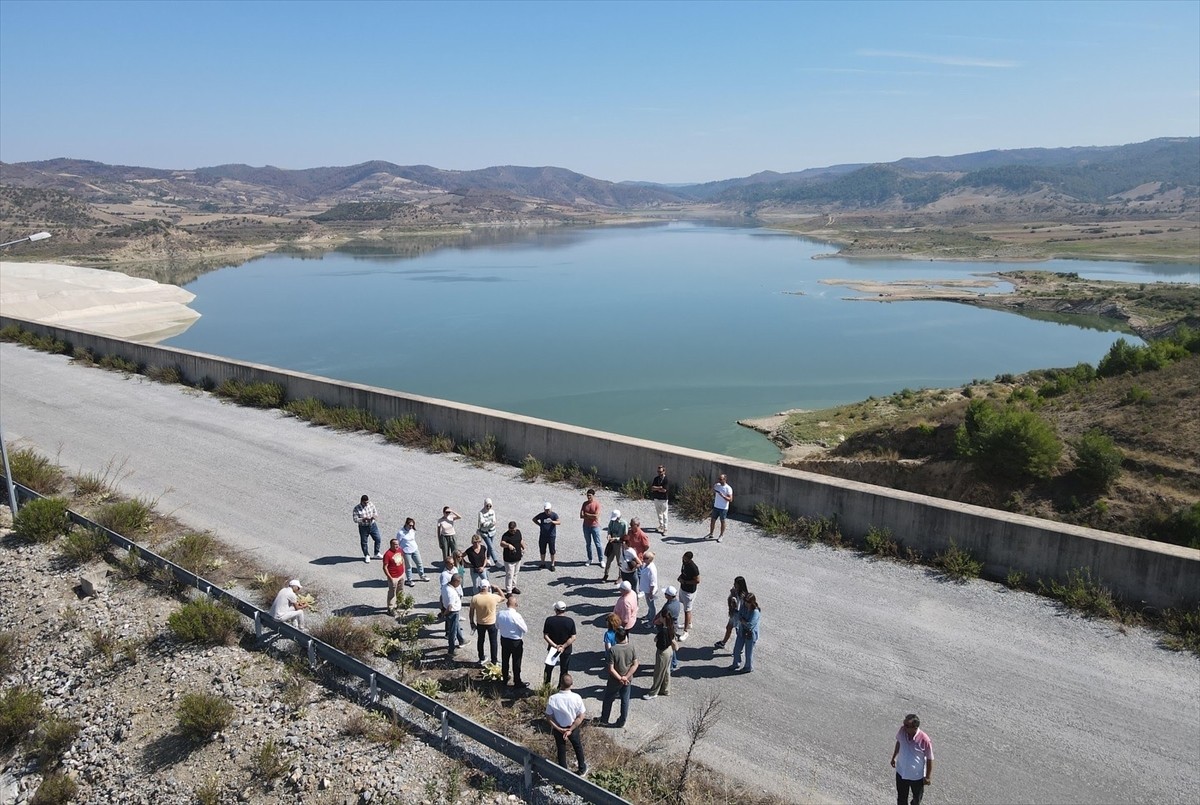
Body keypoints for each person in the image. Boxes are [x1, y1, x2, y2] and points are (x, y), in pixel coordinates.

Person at [544, 673, 588, 776]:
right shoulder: (577, 697)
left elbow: (548, 717)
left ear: (560, 684)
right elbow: (581, 716)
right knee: (577, 747)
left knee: (561, 749)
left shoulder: (553, 699)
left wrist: (558, 728)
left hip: (559, 728)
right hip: (572, 727)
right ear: (572, 684)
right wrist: (570, 729)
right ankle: (582, 768)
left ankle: (563, 771)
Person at [599, 627, 639, 728]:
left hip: (614, 680)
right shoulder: (631, 647)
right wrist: (626, 677)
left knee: (608, 699)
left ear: (616, 638)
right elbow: (635, 664)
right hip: (628, 679)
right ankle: (622, 721)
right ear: (625, 636)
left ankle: (604, 719)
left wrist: (620, 678)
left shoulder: (613, 650)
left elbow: (611, 668)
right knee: (625, 700)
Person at [891, 714, 934, 805]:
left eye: (906, 726)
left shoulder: (924, 739)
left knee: (916, 799)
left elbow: (930, 758)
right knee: (901, 798)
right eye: (904, 723)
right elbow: (899, 742)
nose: (903, 727)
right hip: (901, 772)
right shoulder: (902, 731)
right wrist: (894, 757)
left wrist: (928, 777)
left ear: (914, 727)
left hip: (916, 776)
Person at [496, 593, 529, 688]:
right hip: (515, 642)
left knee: (505, 660)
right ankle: (517, 681)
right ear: (516, 605)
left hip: (504, 640)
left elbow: (497, 626)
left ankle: (505, 679)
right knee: (516, 662)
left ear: (507, 604)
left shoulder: (500, 613)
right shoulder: (516, 616)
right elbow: (525, 629)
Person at [643, 609, 676, 700]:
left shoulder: (663, 631)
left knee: (658, 672)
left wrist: (657, 639)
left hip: (663, 652)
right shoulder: (671, 626)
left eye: (661, 616)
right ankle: (666, 689)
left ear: (664, 618)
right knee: (666, 671)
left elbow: (660, 645)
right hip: (670, 650)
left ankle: (653, 692)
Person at [542, 601, 577, 686]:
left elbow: (546, 636)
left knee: (548, 668)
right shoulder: (570, 621)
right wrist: (563, 646)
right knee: (564, 670)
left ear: (556, 610)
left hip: (553, 649)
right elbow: (573, 637)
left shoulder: (549, 620)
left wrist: (555, 646)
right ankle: (561, 687)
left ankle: (546, 686)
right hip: (566, 649)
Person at [469, 579, 502, 665]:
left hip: (480, 623)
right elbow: (503, 598)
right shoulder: (493, 597)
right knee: (493, 642)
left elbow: (471, 611)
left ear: (480, 587)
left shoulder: (475, 598)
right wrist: (498, 588)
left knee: (480, 641)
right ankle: (494, 660)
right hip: (492, 623)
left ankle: (481, 658)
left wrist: (472, 622)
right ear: (488, 587)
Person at [716, 576, 749, 650]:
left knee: (739, 632)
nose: (734, 584)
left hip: (739, 615)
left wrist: (733, 597)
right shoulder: (735, 591)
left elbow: (739, 606)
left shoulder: (743, 595)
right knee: (729, 627)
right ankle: (723, 642)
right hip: (734, 614)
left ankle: (740, 648)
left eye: (736, 583)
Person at [731, 592, 761, 673]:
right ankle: (736, 663)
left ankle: (748, 667)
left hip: (750, 635)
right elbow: (739, 615)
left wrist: (742, 620)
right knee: (736, 649)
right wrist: (742, 620)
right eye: (745, 601)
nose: (746, 603)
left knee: (748, 652)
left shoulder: (755, 612)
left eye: (748, 602)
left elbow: (750, 625)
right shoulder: (743, 606)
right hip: (742, 631)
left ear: (752, 602)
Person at [396, 517, 428, 585]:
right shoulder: (401, 533)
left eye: (412, 525)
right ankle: (409, 580)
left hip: (414, 549)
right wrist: (399, 552)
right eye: (410, 525)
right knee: (408, 566)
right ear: (406, 524)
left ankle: (422, 575)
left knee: (419, 563)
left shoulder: (412, 530)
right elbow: (398, 543)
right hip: (406, 551)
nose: (411, 527)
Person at [440, 574, 465, 658]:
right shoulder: (451, 592)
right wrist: (444, 614)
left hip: (449, 611)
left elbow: (441, 598)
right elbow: (450, 607)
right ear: (455, 581)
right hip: (453, 612)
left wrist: (442, 608)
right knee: (452, 632)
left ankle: (461, 640)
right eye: (459, 583)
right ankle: (451, 650)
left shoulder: (444, 587)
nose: (459, 585)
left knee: (456, 626)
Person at [677, 551, 700, 639]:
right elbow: (683, 572)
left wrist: (686, 582)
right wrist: (680, 577)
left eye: (685, 558)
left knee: (687, 611)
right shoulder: (684, 563)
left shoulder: (693, 568)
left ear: (689, 559)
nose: (683, 559)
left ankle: (685, 631)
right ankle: (689, 623)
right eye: (683, 557)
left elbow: (697, 581)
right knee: (686, 608)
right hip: (683, 589)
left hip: (689, 592)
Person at [352, 494, 382, 562]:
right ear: (361, 501)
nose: (366, 504)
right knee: (364, 542)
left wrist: (374, 516)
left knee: (378, 539)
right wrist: (363, 519)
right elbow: (355, 519)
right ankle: (366, 555)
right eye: (365, 503)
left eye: (367, 502)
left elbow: (375, 512)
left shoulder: (371, 504)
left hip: (372, 525)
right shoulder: (356, 508)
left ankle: (376, 552)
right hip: (363, 527)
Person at [533, 502, 561, 571]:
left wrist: (552, 522)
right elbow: (534, 519)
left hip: (551, 536)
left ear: (551, 509)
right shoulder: (541, 515)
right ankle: (542, 563)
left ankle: (552, 564)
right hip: (543, 535)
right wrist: (539, 524)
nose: (547, 511)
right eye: (546, 510)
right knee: (542, 550)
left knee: (552, 550)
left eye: (548, 510)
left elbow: (559, 522)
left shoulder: (554, 515)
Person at [382, 538, 407, 614]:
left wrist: (404, 570)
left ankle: (399, 604)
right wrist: (390, 578)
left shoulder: (399, 550)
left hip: (401, 575)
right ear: (391, 545)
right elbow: (385, 567)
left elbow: (402, 559)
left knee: (400, 590)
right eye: (395, 544)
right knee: (392, 593)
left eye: (398, 544)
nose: (397, 545)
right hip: (393, 577)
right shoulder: (387, 554)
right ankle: (390, 608)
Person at [579, 489, 603, 567]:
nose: (588, 497)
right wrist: (591, 516)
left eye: (590, 495)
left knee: (598, 544)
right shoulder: (585, 504)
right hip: (586, 526)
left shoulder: (597, 504)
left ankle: (601, 560)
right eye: (587, 495)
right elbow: (581, 515)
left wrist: (587, 515)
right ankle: (590, 558)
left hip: (595, 526)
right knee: (588, 544)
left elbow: (596, 516)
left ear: (593, 495)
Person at [499, 521, 525, 594]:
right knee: (509, 575)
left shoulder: (518, 532)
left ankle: (513, 587)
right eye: (511, 530)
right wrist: (508, 545)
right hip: (509, 560)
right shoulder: (506, 535)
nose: (512, 532)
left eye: (513, 530)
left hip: (518, 558)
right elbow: (501, 543)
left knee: (515, 574)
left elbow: (521, 540)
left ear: (516, 528)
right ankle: (509, 591)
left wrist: (524, 548)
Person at [706, 474, 733, 542]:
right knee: (712, 520)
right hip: (716, 506)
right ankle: (711, 533)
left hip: (723, 508)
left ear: (725, 479)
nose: (719, 480)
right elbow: (710, 491)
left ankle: (721, 535)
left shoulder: (728, 488)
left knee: (722, 521)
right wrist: (713, 487)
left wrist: (723, 496)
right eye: (719, 479)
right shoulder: (717, 485)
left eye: (720, 479)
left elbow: (730, 499)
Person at [602, 510, 627, 582]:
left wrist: (616, 538)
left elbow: (625, 536)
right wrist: (609, 534)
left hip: (619, 544)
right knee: (608, 560)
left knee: (619, 562)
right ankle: (606, 574)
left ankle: (620, 576)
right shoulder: (612, 521)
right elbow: (609, 529)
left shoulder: (624, 524)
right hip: (611, 544)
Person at [477, 498, 501, 568]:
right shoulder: (481, 513)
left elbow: (494, 521)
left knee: (490, 547)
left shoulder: (492, 512)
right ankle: (496, 561)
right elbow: (482, 523)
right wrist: (490, 523)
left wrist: (489, 523)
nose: (488, 507)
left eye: (490, 506)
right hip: (484, 533)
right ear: (485, 505)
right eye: (487, 506)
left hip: (492, 531)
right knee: (491, 546)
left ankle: (487, 559)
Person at [639, 551, 659, 628]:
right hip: (646, 589)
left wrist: (651, 593)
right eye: (643, 557)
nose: (643, 559)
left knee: (651, 606)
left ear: (650, 559)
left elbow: (653, 583)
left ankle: (651, 621)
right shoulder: (646, 564)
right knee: (649, 605)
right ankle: (649, 615)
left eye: (645, 558)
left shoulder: (651, 569)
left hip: (649, 591)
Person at [650, 464, 669, 536]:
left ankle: (665, 528)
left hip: (663, 499)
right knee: (659, 513)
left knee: (665, 514)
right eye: (658, 471)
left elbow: (664, 490)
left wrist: (657, 488)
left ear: (664, 471)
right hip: (657, 498)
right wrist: (659, 488)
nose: (659, 473)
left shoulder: (666, 479)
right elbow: (652, 488)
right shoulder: (656, 479)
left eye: (660, 472)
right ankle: (661, 525)